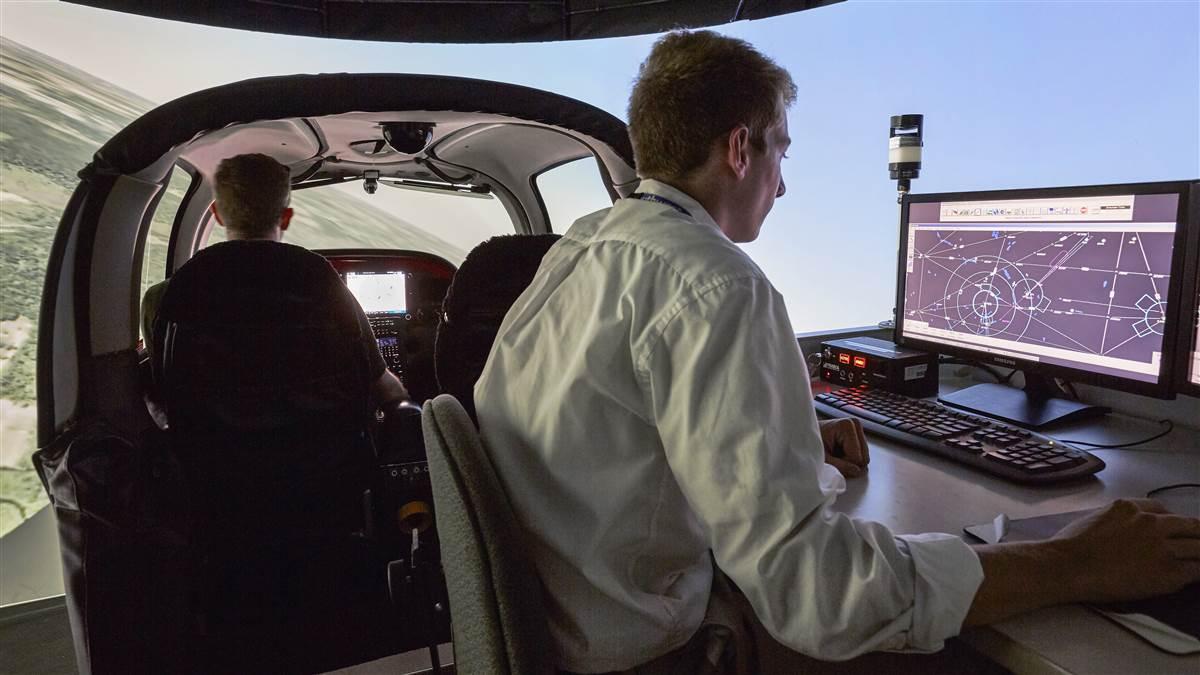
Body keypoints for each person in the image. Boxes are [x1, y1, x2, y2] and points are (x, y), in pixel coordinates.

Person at [474, 30, 1200, 674]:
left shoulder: (585, 246)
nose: (783, 182)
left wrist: (784, 444)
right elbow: (817, 595)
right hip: (649, 648)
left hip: (571, 611)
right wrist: (1074, 559)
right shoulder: (714, 283)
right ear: (739, 148)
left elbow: (616, 433)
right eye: (780, 147)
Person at [142, 153, 408, 407]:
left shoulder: (166, 297)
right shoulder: (323, 284)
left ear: (218, 215)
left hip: (207, 453)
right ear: (286, 217)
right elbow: (384, 388)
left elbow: (165, 388)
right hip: (319, 453)